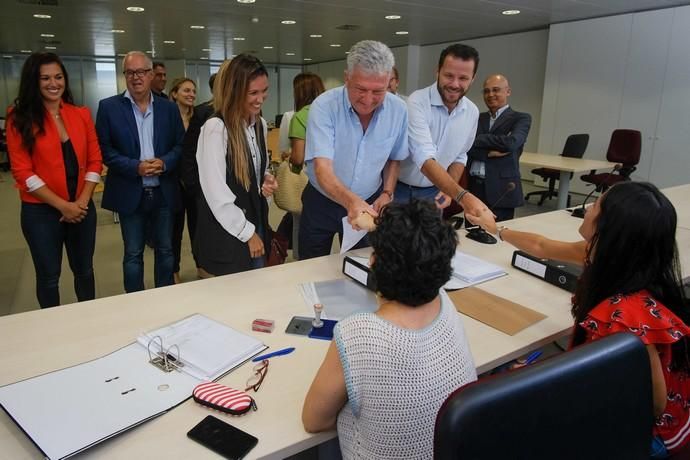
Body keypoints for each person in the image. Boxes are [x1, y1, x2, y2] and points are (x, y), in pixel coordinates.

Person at [468, 181, 690, 457]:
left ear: (608, 228)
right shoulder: (610, 255)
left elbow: (654, 404)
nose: (586, 208)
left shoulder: (625, 320)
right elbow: (541, 246)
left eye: (596, 205)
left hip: (645, 439)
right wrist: (497, 229)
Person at [302, 199, 477, 458]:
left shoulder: (358, 333)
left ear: (372, 262)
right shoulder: (444, 302)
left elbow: (314, 421)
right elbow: (417, 250)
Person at [6, 52, 102, 308]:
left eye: (58, 77)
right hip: (41, 213)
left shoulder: (80, 114)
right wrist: (63, 206)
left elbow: (95, 160)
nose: (53, 83)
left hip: (81, 208)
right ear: (33, 82)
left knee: (85, 271)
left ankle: (88, 319)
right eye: (45, 78)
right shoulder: (19, 117)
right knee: (49, 278)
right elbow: (23, 173)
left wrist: (81, 201)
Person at [299, 40, 408, 260]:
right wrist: (351, 202)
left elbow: (394, 158)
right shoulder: (324, 106)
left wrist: (387, 193)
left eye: (378, 91)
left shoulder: (399, 110)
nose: (368, 100)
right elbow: (322, 168)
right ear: (347, 77)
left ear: (389, 81)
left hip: (370, 201)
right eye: (360, 89)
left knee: (362, 265)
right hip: (322, 201)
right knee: (310, 264)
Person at [96, 51, 184, 293]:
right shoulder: (109, 108)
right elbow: (105, 150)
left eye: (142, 72)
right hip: (130, 191)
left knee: (165, 249)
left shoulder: (168, 109)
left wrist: (164, 162)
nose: (136, 78)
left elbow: (180, 145)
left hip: (163, 191)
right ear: (125, 75)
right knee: (133, 253)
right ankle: (134, 300)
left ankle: (163, 295)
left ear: (151, 74)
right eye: (130, 72)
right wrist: (135, 167)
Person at [194, 54, 278, 275]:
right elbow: (216, 193)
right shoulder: (215, 128)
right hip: (230, 234)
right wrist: (247, 233)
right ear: (235, 91)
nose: (261, 99)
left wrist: (266, 181)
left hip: (256, 222)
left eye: (264, 90)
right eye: (253, 93)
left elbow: (259, 170)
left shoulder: (259, 123)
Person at [396, 44, 493, 224]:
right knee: (393, 247)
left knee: (428, 247)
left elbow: (460, 155)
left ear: (473, 79)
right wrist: (462, 196)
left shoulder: (472, 112)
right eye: (449, 75)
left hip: (434, 192)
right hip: (399, 190)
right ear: (437, 72)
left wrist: (448, 190)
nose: (455, 84)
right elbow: (424, 157)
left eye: (463, 78)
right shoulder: (417, 102)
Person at [467, 74, 531, 221]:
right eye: (486, 91)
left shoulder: (521, 118)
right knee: (471, 234)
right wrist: (487, 153)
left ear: (508, 91)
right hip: (474, 186)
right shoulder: (476, 117)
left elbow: (512, 143)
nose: (490, 95)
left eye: (496, 90)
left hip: (502, 187)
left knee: (499, 237)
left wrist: (478, 139)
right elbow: (464, 146)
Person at [180, 73, 216, 278]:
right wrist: (193, 186)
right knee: (200, 227)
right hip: (201, 187)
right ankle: (201, 266)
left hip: (226, 187)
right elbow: (189, 152)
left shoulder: (239, 109)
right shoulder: (203, 112)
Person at [169, 77, 197, 283]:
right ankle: (174, 270)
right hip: (173, 182)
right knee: (175, 231)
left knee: (198, 228)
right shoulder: (167, 119)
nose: (191, 94)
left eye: (193, 91)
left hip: (195, 183)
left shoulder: (199, 118)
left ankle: (201, 265)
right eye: (186, 90)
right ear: (174, 94)